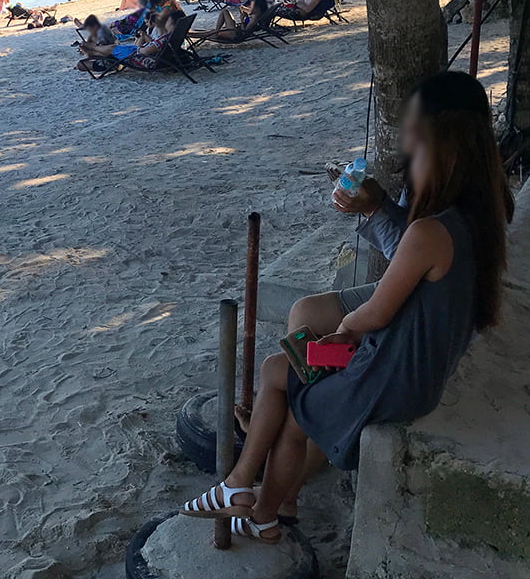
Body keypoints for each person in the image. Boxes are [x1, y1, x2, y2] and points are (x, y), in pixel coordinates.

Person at [177, 71, 510, 542]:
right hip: (415, 368)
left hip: (392, 379)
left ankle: (260, 511)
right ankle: (241, 490)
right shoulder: (480, 214)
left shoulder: (429, 233)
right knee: (277, 369)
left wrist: (346, 332)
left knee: (295, 410)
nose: (409, 160)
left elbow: (375, 312)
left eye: (417, 148)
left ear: (443, 147)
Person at [77, 9, 180, 71]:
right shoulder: (169, 36)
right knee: (114, 48)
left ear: (173, 25)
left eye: (168, 22)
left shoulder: (163, 39)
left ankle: (92, 48)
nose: (166, 23)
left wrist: (140, 46)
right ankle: (92, 50)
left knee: (113, 48)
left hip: (138, 56)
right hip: (139, 53)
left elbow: (143, 51)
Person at [190, 0, 269, 42]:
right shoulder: (258, 15)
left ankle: (192, 34)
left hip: (235, 34)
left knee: (225, 12)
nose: (250, 7)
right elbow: (249, 12)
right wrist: (244, 9)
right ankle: (192, 34)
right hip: (236, 30)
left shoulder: (254, 19)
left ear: (257, 8)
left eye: (252, 6)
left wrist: (242, 19)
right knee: (210, 32)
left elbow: (244, 31)